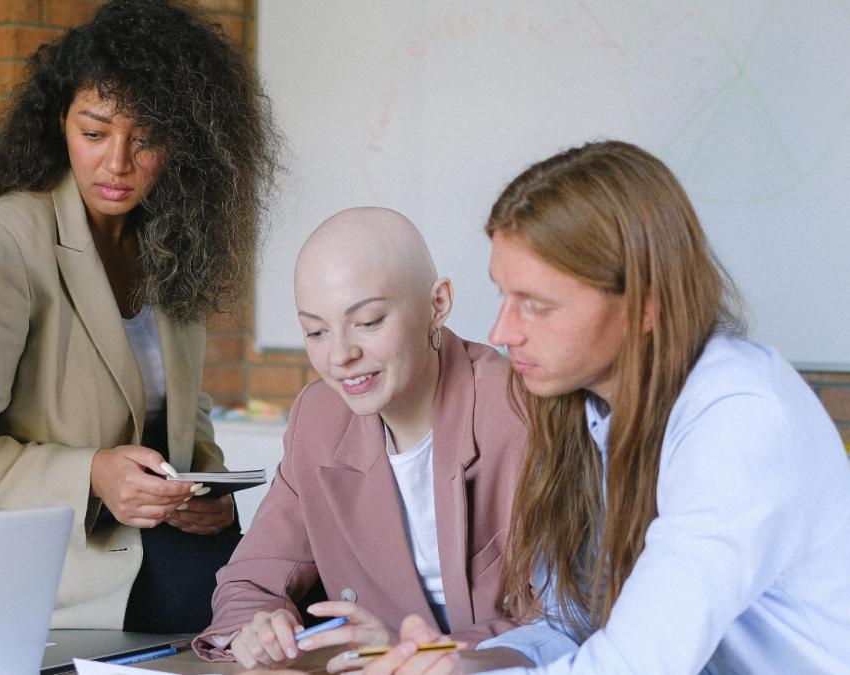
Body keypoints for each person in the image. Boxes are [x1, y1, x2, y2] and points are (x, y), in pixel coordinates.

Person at [361, 140, 850, 674]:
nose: (502, 332)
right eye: (504, 296)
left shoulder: (741, 418)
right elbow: (574, 624)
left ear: (643, 306)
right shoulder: (583, 407)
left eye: (537, 306)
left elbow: (634, 664)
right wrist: (461, 664)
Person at [0, 0, 279, 632]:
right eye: (95, 132)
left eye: (148, 138)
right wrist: (93, 474)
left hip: (157, 544)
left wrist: (210, 494)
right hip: (49, 564)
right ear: (60, 123)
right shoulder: (5, 238)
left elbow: (186, 416)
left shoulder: (173, 240)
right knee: (252, 618)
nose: (118, 163)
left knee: (298, 590)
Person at [193, 208, 524, 671]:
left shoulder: (519, 410)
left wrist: (417, 653)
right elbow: (251, 579)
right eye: (316, 331)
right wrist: (259, 628)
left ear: (438, 303)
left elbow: (574, 618)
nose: (341, 356)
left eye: (368, 322)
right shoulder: (320, 418)